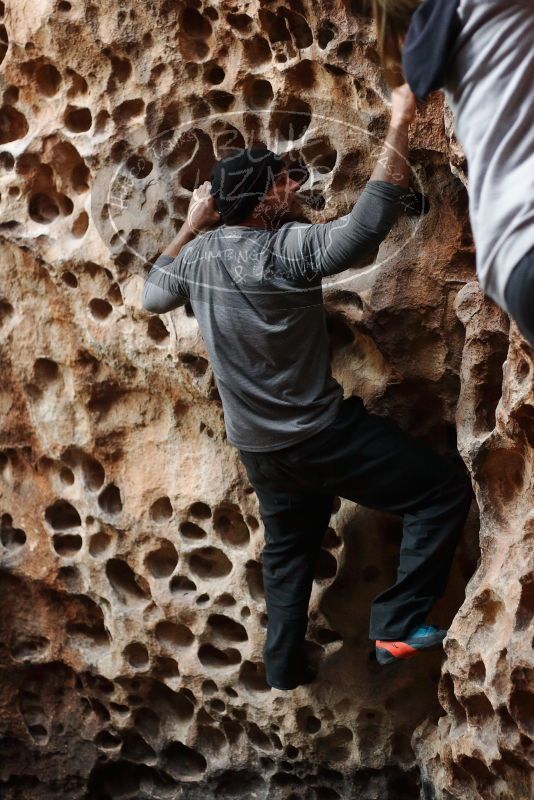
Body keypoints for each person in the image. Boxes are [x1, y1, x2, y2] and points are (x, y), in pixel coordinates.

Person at [142, 84, 472, 690]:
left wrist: (192, 222)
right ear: (263, 199)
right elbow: (365, 229)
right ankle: (397, 624)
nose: (293, 188)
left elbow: (151, 295)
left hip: (261, 452)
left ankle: (283, 666)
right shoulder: (285, 250)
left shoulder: (199, 258)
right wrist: (399, 122)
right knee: (441, 491)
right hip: (320, 438)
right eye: (282, 182)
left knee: (289, 554)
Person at [371, 0, 534, 345]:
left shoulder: (445, 30)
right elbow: (359, 230)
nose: (290, 185)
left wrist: (399, 120)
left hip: (509, 261)